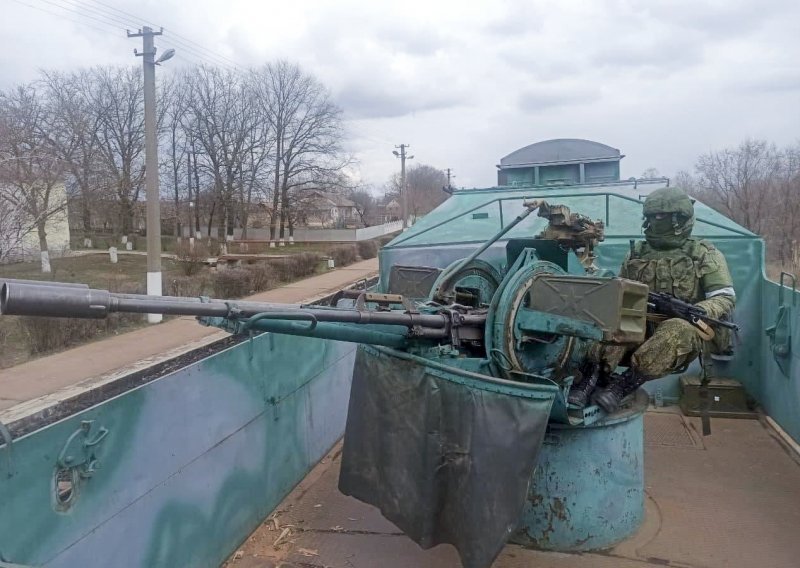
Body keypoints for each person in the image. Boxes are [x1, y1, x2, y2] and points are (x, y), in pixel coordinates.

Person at [568, 186, 736, 413]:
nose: (657, 222)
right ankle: (589, 380)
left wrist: (700, 311)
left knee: (676, 329)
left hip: (682, 331)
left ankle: (621, 386)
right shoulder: (637, 253)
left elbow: (723, 296)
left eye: (662, 217)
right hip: (640, 323)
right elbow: (621, 291)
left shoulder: (703, 253)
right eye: (653, 217)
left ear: (680, 219)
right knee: (612, 320)